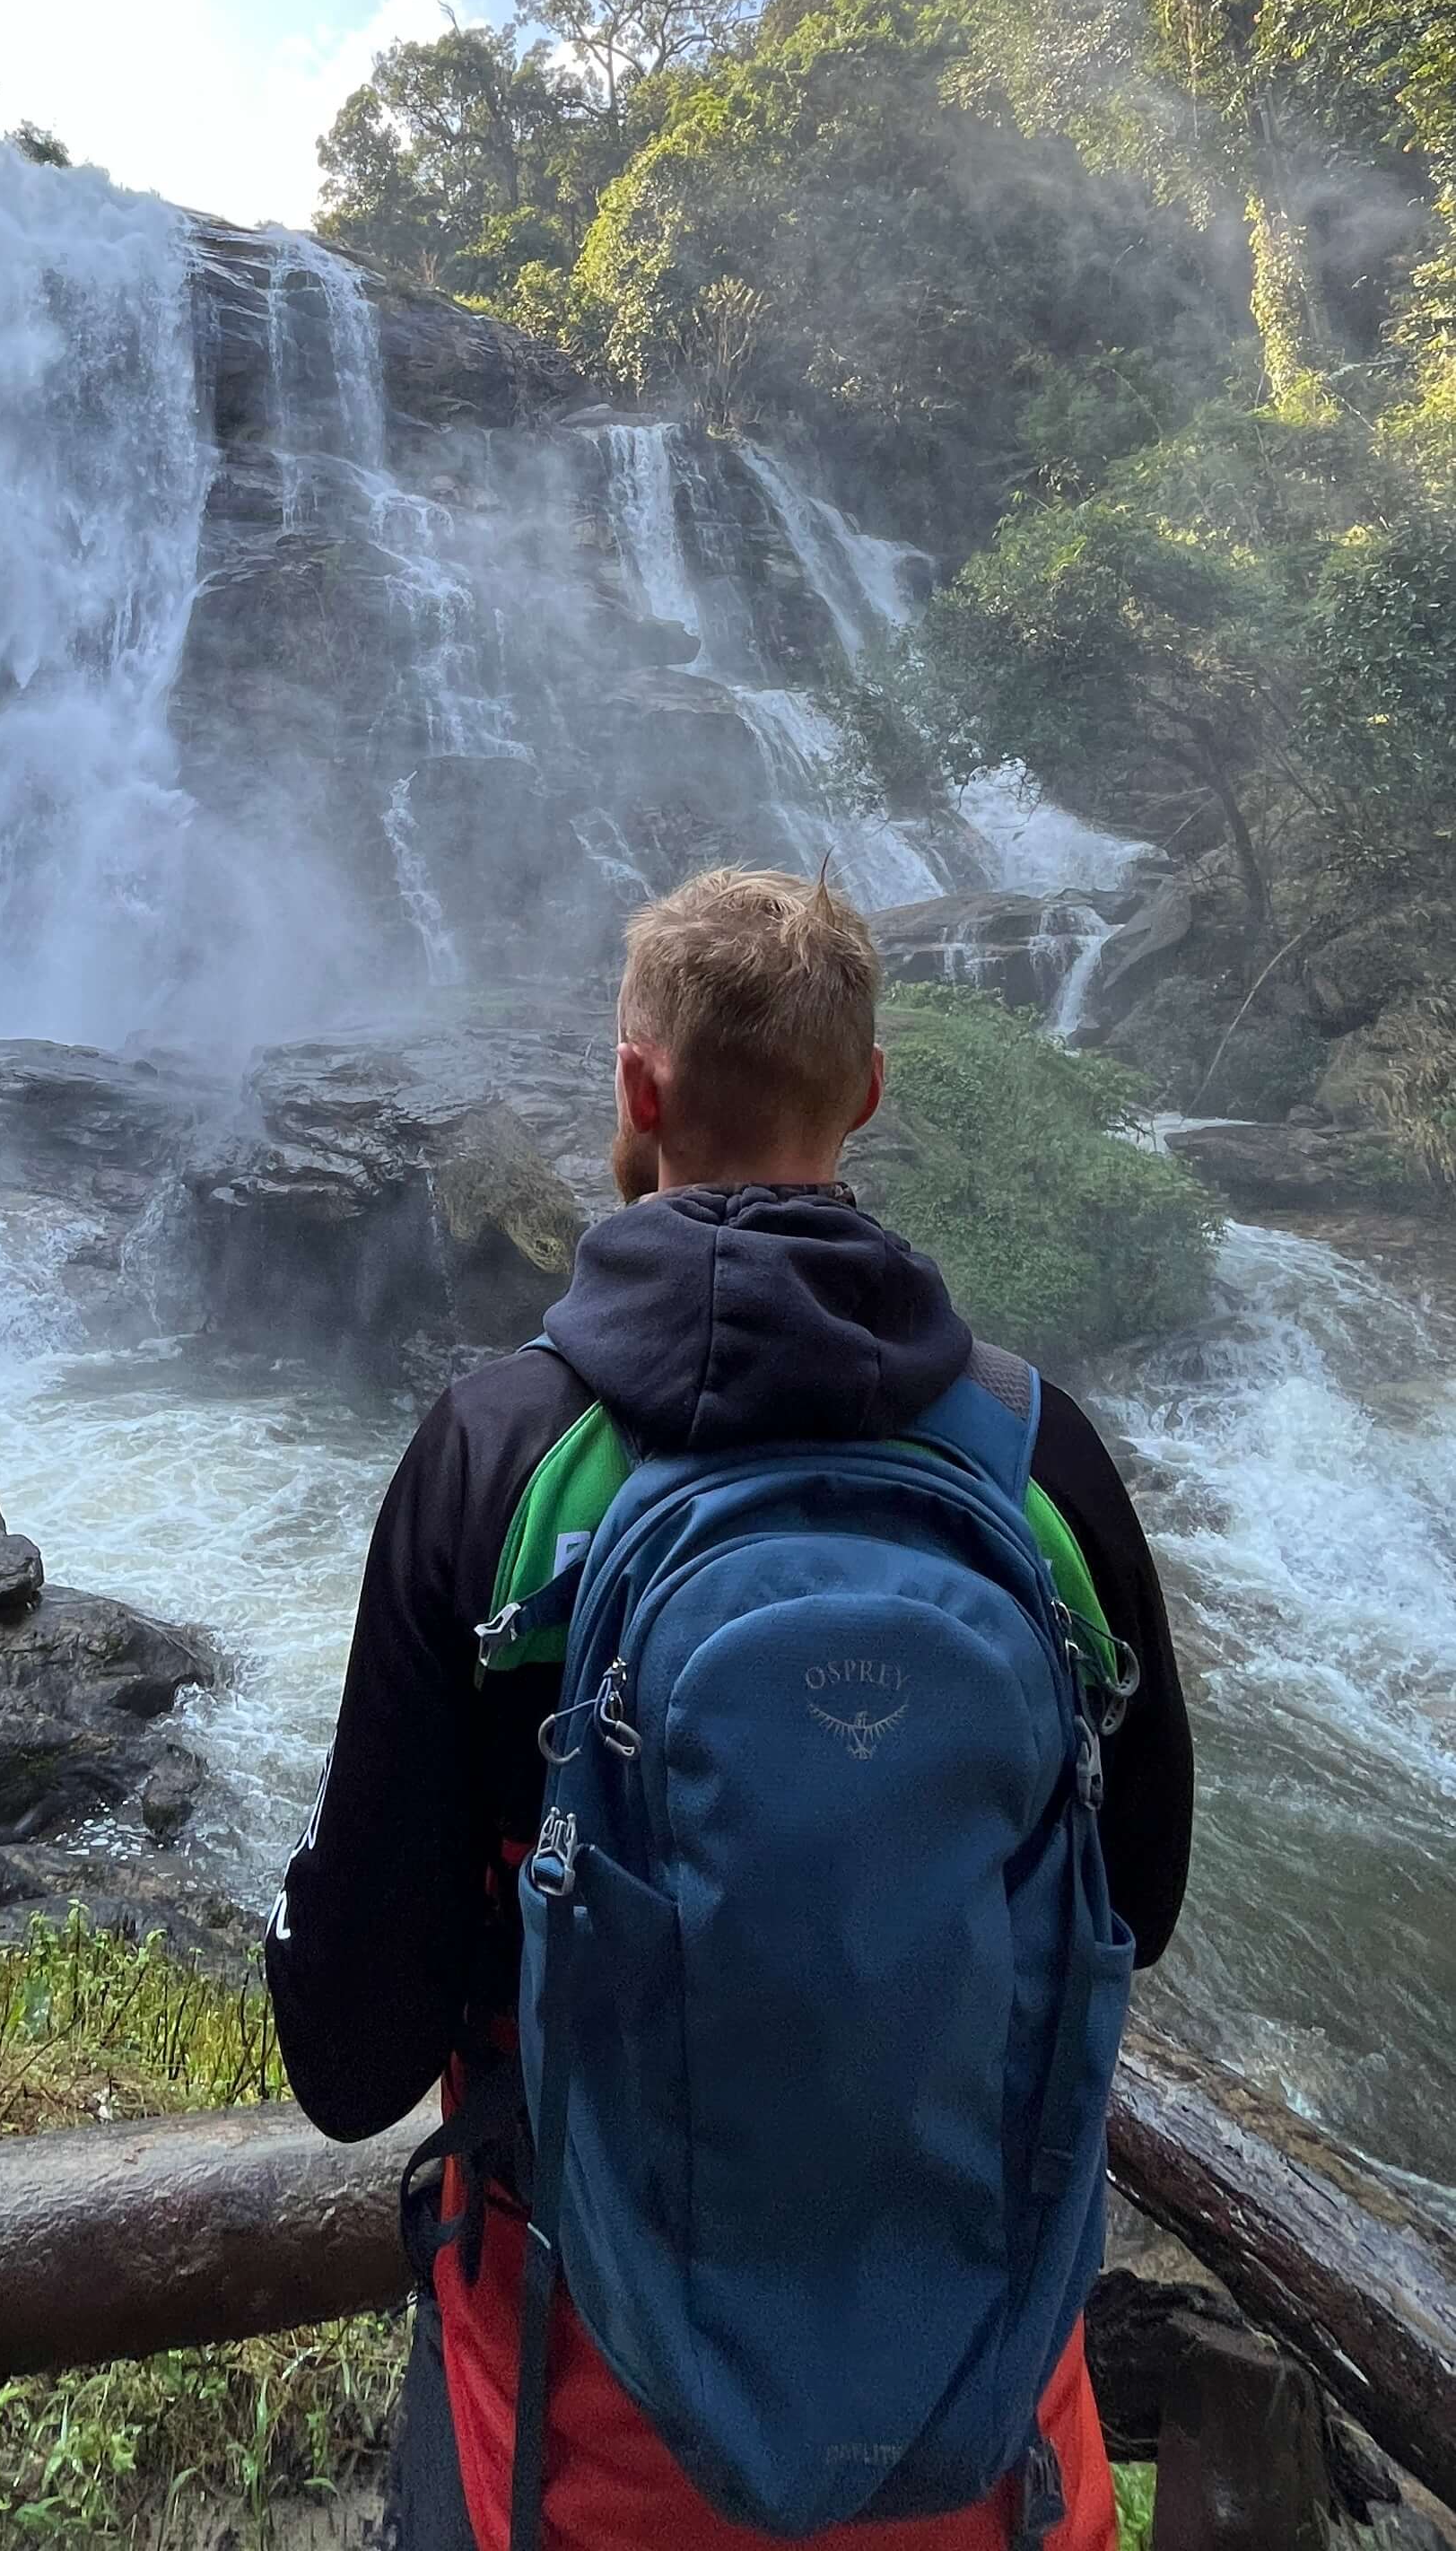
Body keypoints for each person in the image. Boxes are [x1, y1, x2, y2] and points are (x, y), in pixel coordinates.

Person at [266, 867, 1192, 2551]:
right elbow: (1136, 1904)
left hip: (582, 2450)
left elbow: (352, 2056)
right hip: (992, 2449)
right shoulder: (1037, 1458)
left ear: (637, 1089)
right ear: (870, 1094)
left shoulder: (498, 1462)